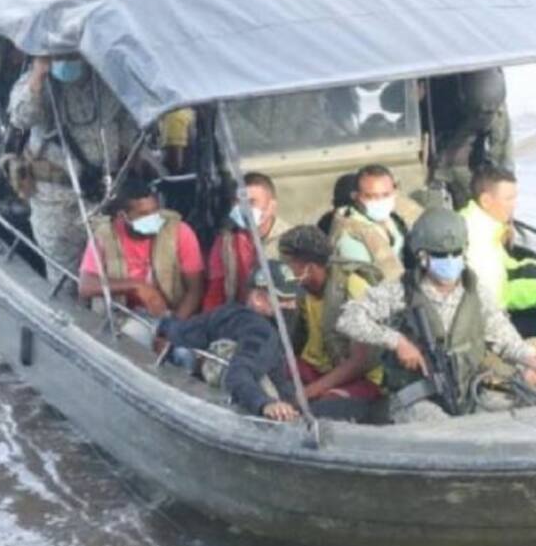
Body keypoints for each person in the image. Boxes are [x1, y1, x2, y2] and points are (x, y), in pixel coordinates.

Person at [336, 206, 536, 423]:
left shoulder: (476, 293)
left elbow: (505, 337)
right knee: (438, 427)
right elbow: (348, 318)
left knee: (522, 412)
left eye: (456, 253)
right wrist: (397, 341)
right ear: (422, 256)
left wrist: (529, 361)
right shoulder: (400, 291)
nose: (450, 260)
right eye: (441, 255)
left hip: (466, 393)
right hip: (415, 398)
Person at [8, 54, 141, 276]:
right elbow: (22, 118)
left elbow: (127, 125)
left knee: (111, 270)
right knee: (64, 275)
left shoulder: (106, 82)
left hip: (104, 195)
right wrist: (39, 74)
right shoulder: (34, 84)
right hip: (57, 200)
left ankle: (104, 309)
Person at [154, 262, 301, 422]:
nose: (292, 306)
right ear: (259, 299)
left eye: (293, 300)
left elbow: (182, 331)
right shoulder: (263, 334)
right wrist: (265, 404)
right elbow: (239, 373)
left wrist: (162, 326)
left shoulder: (228, 313)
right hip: (254, 403)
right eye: (284, 301)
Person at [277, 226, 382, 417]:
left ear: (309, 268)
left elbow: (361, 361)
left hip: (356, 379)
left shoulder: (354, 289)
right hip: (317, 369)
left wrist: (310, 392)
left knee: (323, 411)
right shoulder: (300, 290)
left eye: (289, 263)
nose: (284, 268)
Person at [78, 178, 204, 321]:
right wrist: (137, 286)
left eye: (155, 211)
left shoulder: (180, 232)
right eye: (144, 214)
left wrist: (171, 330)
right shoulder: (105, 235)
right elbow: (86, 286)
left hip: (171, 316)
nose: (153, 218)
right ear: (123, 216)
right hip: (119, 318)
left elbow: (195, 291)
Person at [460, 166, 536, 314]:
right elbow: (498, 298)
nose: (514, 205)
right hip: (487, 316)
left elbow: (511, 266)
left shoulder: (477, 220)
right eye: (509, 199)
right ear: (485, 201)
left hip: (491, 299)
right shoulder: (478, 241)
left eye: (515, 198)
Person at [425, 68, 514, 209]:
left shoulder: (488, 94)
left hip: (449, 161)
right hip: (453, 161)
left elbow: (501, 148)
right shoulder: (476, 67)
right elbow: (500, 148)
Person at [202, 172, 291, 311]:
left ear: (272, 206)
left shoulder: (290, 242)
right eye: (238, 202)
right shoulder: (225, 242)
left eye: (252, 202)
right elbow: (216, 291)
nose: (244, 208)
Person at [328, 164, 410, 280]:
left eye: (385, 195)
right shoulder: (350, 236)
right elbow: (368, 283)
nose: (380, 201)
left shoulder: (392, 218)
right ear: (356, 196)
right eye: (371, 196)